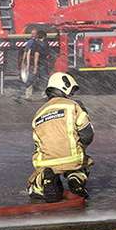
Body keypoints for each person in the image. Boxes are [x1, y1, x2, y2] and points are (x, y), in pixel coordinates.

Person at [26, 72, 94, 202]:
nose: (72, 96)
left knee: (34, 185)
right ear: (64, 88)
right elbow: (87, 135)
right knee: (85, 162)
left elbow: (37, 145)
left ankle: (43, 181)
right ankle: (76, 179)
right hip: (73, 158)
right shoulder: (73, 106)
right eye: (71, 92)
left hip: (46, 162)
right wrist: (79, 146)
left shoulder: (38, 114)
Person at [22, 30, 51, 98]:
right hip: (41, 64)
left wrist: (28, 63)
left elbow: (30, 53)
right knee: (43, 78)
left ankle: (28, 94)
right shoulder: (43, 44)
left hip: (38, 64)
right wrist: (35, 66)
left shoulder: (35, 43)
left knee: (32, 78)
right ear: (44, 36)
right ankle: (43, 94)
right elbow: (36, 55)